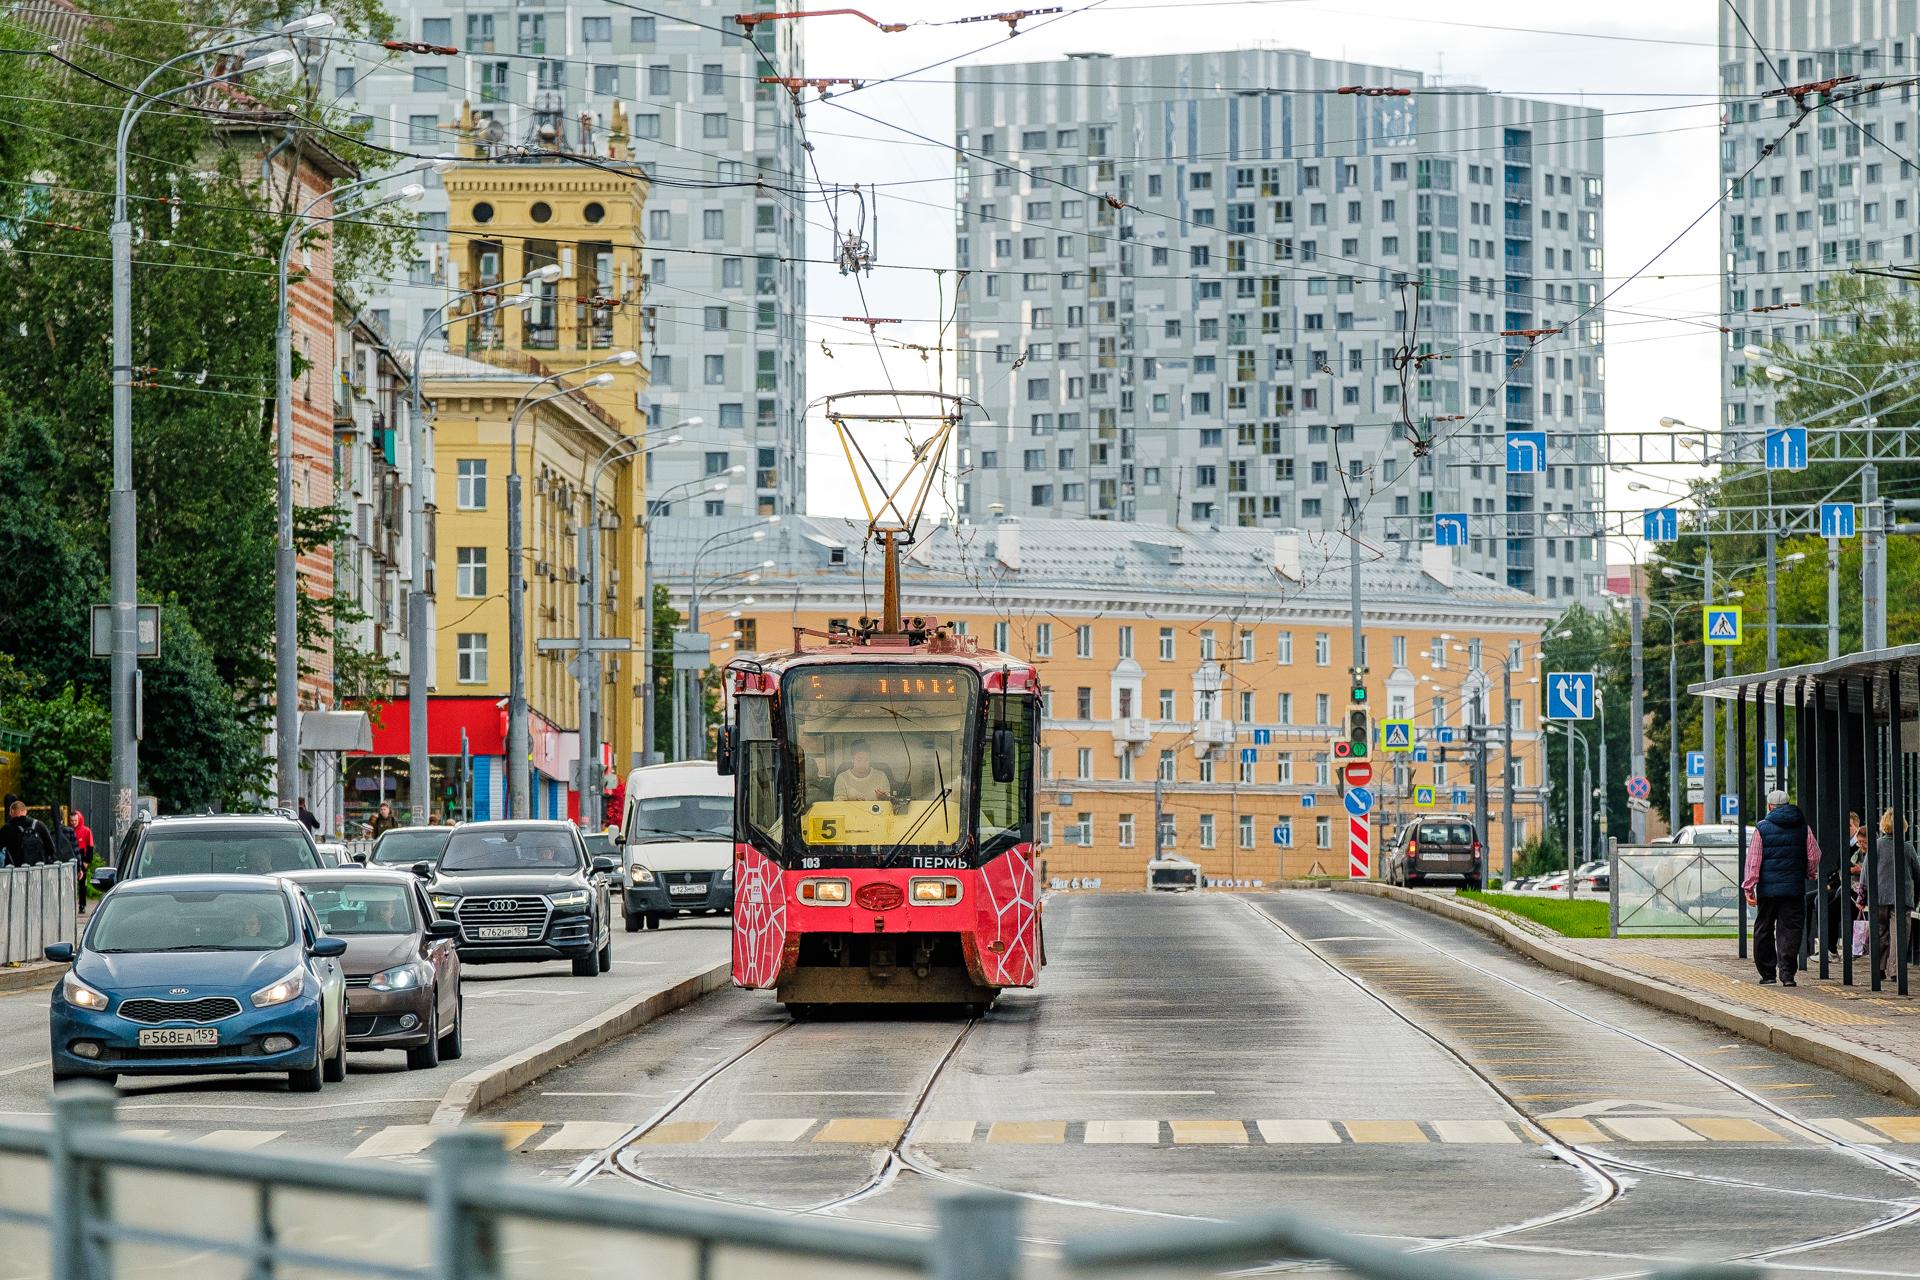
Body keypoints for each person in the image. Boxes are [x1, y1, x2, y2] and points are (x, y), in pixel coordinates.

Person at [1745, 788, 1823, 987]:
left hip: (1768, 891)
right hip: (1793, 889)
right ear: (1787, 805)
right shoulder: (1803, 827)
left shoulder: (1762, 828)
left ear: (1770, 807)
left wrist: (1749, 887)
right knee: (1790, 930)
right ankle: (1787, 975)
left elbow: (1754, 861)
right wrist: (1809, 873)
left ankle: (1768, 973)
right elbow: (1814, 855)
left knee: (1763, 928)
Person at [1872, 810, 1920, 982]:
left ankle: (1878, 968)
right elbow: (1917, 874)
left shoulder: (1876, 845)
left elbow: (1865, 875)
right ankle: (1895, 970)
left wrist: (1863, 896)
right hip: (1902, 898)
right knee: (1899, 934)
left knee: (1879, 933)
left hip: (1879, 897)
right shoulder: (1907, 848)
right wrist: (1916, 897)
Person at [0, 797, 59, 868]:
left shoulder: (7, 828)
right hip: (38, 870)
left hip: (16, 871)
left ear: (12, 812)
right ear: (25, 811)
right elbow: (51, 849)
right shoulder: (39, 825)